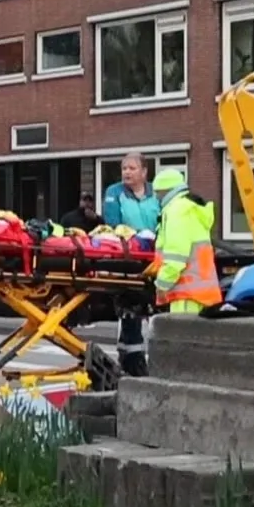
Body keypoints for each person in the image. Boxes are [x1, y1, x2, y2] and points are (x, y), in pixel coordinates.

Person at [103, 154, 162, 376]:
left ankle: (148, 356)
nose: (127, 172)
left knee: (154, 307)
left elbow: (162, 220)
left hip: (155, 257)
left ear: (144, 172)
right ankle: (131, 359)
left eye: (132, 168)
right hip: (127, 258)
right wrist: (135, 239)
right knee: (130, 307)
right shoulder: (114, 192)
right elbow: (112, 224)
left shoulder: (155, 193)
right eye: (124, 168)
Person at [150, 168, 223, 315]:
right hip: (201, 292)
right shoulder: (189, 207)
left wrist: (162, 284)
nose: (156, 198)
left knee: (180, 335)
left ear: (164, 191)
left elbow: (176, 257)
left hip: (186, 293)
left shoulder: (176, 212)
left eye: (157, 193)